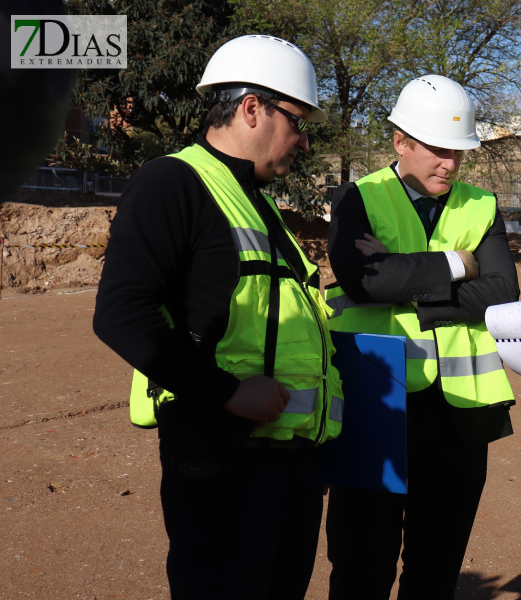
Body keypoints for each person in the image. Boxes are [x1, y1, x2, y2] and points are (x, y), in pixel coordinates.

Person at [93, 35, 342, 599]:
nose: (303, 142)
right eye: (298, 122)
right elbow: (121, 314)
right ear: (252, 107)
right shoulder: (172, 182)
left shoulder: (257, 200)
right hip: (225, 458)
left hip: (289, 464)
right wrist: (226, 391)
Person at [323, 74, 520, 599]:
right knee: (362, 563)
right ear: (399, 142)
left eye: (458, 151)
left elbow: (503, 291)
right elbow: (366, 283)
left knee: (435, 568)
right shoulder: (358, 197)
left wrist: (407, 284)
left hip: (458, 415)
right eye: (437, 149)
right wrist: (460, 263)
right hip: (376, 402)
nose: (450, 163)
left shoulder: (481, 204)